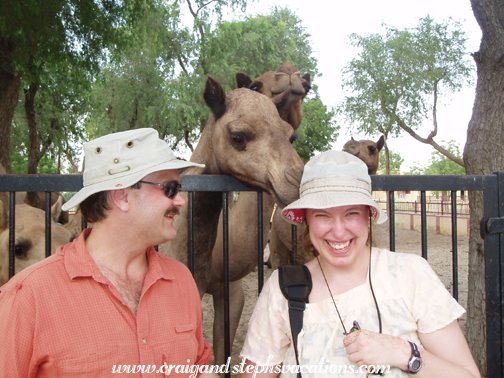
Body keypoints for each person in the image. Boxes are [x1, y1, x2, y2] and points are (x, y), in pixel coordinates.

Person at [240, 150, 480, 378]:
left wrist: (402, 352)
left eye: (351, 213)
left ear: (368, 215)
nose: (338, 231)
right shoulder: (281, 290)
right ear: (307, 219)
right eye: (323, 214)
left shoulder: (410, 274)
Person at [0, 128, 216, 377]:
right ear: (121, 195)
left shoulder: (181, 280)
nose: (180, 201)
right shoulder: (26, 298)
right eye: (169, 189)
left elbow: (198, 369)